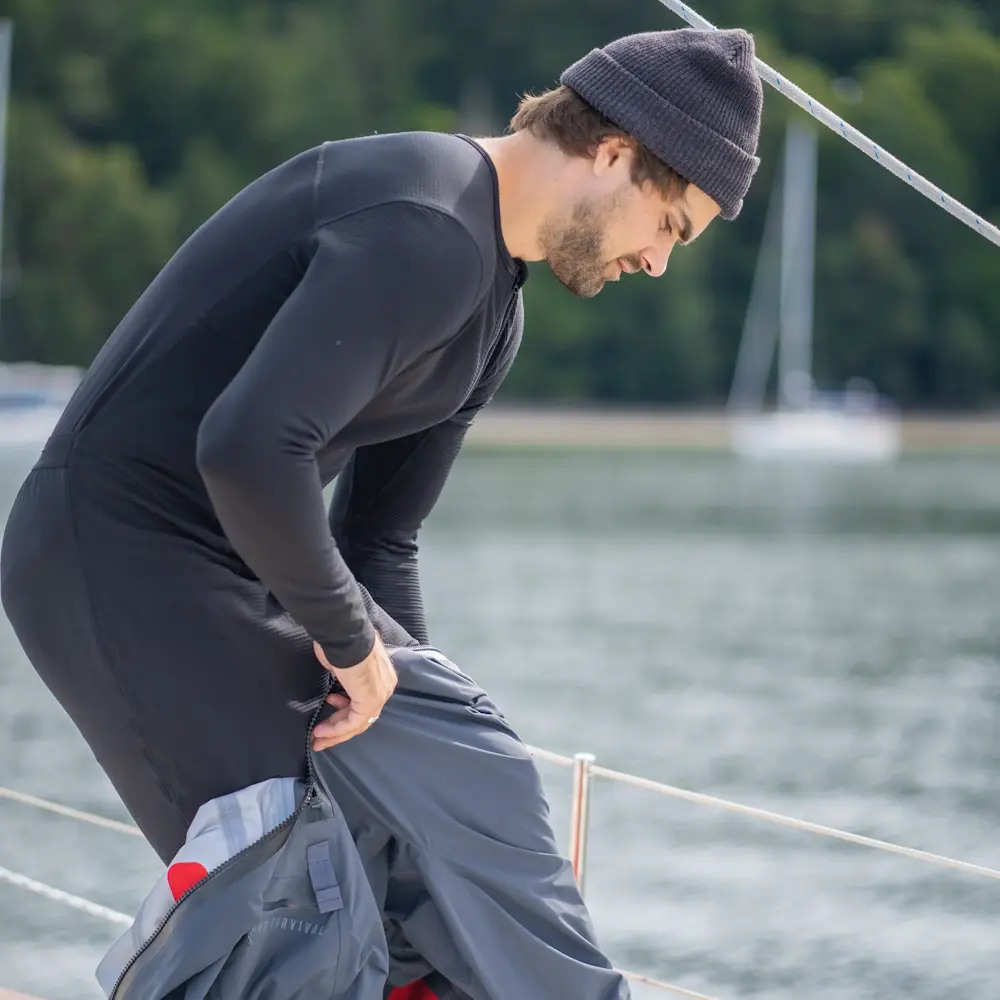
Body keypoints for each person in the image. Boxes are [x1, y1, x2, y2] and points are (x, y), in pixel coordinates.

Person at [1, 26, 763, 997]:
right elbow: (245, 447)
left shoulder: (493, 305)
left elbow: (377, 538)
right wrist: (354, 651)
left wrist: (420, 737)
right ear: (616, 154)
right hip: (114, 556)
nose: (659, 260)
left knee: (453, 817)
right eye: (672, 225)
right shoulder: (425, 224)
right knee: (298, 893)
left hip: (231, 561)